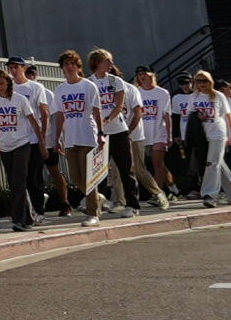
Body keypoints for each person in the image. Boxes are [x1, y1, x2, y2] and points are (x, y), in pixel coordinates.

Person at [52, 50, 105, 227]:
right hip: (71, 138)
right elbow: (60, 115)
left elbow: (97, 111)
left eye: (72, 63)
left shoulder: (88, 86)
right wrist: (57, 137)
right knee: (75, 177)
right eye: (66, 64)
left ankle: (93, 213)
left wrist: (101, 133)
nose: (69, 66)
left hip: (87, 135)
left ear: (78, 66)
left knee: (89, 175)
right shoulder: (60, 89)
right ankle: (97, 198)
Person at [88, 50, 138, 217]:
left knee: (125, 169)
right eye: (107, 61)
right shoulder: (89, 83)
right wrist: (97, 126)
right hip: (98, 133)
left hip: (118, 130)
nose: (111, 64)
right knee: (98, 171)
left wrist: (106, 120)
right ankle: (99, 203)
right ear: (97, 63)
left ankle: (132, 205)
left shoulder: (116, 81)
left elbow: (118, 106)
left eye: (111, 61)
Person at [0, 71, 40, 232]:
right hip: (5, 146)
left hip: (22, 144)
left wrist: (41, 141)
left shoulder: (20, 100)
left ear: (9, 83)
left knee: (19, 180)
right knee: (14, 183)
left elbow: (33, 120)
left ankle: (18, 219)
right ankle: (29, 215)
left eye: (2, 83)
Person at [14, 62, 65, 218]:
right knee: (32, 174)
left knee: (54, 171)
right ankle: (37, 203)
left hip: (46, 139)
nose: (29, 76)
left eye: (32, 73)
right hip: (27, 140)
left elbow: (52, 116)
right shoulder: (14, 90)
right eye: (27, 73)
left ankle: (65, 202)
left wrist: (56, 138)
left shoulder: (45, 92)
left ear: (36, 75)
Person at [189, 71, 231, 206]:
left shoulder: (218, 96)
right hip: (202, 134)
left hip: (218, 133)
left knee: (211, 164)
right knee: (218, 165)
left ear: (210, 82)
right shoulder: (193, 97)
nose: (202, 84)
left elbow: (228, 116)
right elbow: (190, 116)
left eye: (205, 81)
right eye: (199, 81)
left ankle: (210, 194)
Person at [120, 73, 170, 211]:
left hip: (134, 136)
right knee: (116, 170)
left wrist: (129, 131)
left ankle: (158, 193)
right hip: (115, 136)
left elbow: (137, 113)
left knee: (139, 169)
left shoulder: (131, 90)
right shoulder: (102, 91)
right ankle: (119, 201)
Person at [135, 68, 177, 198]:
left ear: (152, 75)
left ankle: (158, 194)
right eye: (140, 74)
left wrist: (169, 135)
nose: (142, 77)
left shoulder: (162, 93)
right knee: (160, 166)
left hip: (159, 132)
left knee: (157, 164)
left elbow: (167, 115)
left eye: (144, 74)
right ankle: (173, 188)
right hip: (143, 133)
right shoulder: (137, 92)